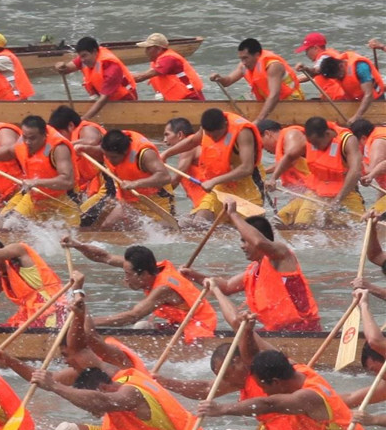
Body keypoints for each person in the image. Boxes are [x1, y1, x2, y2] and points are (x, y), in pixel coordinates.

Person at [0, 339, 207, 430]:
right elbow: (45, 378)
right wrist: (9, 361)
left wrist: (55, 387)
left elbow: (101, 402)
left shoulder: (130, 391)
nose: (94, 413)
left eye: (67, 355)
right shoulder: (108, 378)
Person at [200, 349, 377, 430]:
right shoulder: (299, 370)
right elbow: (264, 352)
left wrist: (222, 409)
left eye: (264, 387)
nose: (265, 392)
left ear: (276, 382)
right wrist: (247, 328)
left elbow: (268, 404)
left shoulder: (308, 396)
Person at [181, 198, 320, 331]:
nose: (242, 246)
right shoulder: (254, 270)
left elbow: (259, 242)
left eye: (245, 240)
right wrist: (194, 275)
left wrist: (233, 214)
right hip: (274, 331)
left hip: (303, 329)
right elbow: (227, 287)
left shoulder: (281, 255)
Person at [62, 240, 217, 341]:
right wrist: (77, 245)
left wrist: (83, 322)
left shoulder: (163, 289)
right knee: (142, 327)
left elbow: (133, 316)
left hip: (200, 328)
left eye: (128, 275)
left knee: (139, 325)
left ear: (144, 274)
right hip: (179, 323)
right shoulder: (147, 267)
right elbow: (104, 256)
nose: (125, 279)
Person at [162, 108, 265, 223]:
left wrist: (214, 181)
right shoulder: (205, 128)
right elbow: (192, 141)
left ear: (225, 125)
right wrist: (166, 154)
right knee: (200, 221)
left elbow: (247, 168)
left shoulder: (243, 132)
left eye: (215, 136)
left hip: (248, 185)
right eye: (209, 135)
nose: (213, 139)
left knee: (245, 227)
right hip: (222, 185)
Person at [78, 128, 174, 229]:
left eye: (113, 157)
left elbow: (165, 177)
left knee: (161, 229)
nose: (109, 160)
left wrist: (135, 184)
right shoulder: (111, 144)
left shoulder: (145, 154)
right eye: (106, 156)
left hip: (156, 199)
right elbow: (102, 150)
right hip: (129, 198)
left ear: (125, 152)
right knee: (108, 225)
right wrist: (87, 148)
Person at [276, 117, 364, 227]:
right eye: (312, 144)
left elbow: (355, 171)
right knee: (301, 225)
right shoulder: (310, 141)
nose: (315, 147)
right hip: (317, 193)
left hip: (345, 194)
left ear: (327, 134)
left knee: (357, 227)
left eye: (317, 143)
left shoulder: (348, 141)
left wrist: (338, 199)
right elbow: (289, 156)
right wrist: (273, 178)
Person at [0, 115, 80, 227]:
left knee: (69, 235)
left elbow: (68, 181)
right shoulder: (24, 141)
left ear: (44, 136)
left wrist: (36, 182)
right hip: (34, 197)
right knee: (3, 224)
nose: (27, 142)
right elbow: (9, 152)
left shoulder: (59, 148)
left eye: (32, 138)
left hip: (61, 200)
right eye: (25, 137)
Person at [210, 38, 304, 122]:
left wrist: (259, 120)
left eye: (246, 58)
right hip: (269, 101)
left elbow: (274, 95)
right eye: (241, 58)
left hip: (291, 102)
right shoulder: (244, 66)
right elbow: (228, 81)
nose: (243, 62)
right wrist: (220, 78)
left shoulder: (273, 66)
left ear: (257, 55)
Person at [52, 36, 138, 120]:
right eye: (80, 56)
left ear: (94, 52)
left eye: (84, 56)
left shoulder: (111, 68)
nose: (82, 60)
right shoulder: (85, 59)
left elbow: (103, 99)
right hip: (106, 100)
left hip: (125, 101)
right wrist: (60, 66)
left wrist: (83, 119)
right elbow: (66, 69)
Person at [130, 33, 204, 101]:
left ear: (159, 49)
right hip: (179, 100)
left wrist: (125, 78)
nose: (146, 51)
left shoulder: (168, 59)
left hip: (190, 99)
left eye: (149, 48)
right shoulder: (158, 60)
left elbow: (141, 77)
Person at [312, 54, 384, 124]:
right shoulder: (333, 64)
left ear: (341, 66)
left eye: (339, 75)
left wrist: (357, 116)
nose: (339, 78)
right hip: (358, 99)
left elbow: (368, 94)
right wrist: (308, 70)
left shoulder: (361, 67)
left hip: (375, 99)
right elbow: (317, 71)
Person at [353, 119, 386, 214]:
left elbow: (372, 171)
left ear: (363, 138)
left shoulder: (378, 142)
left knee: (373, 216)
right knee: (372, 214)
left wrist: (359, 160)